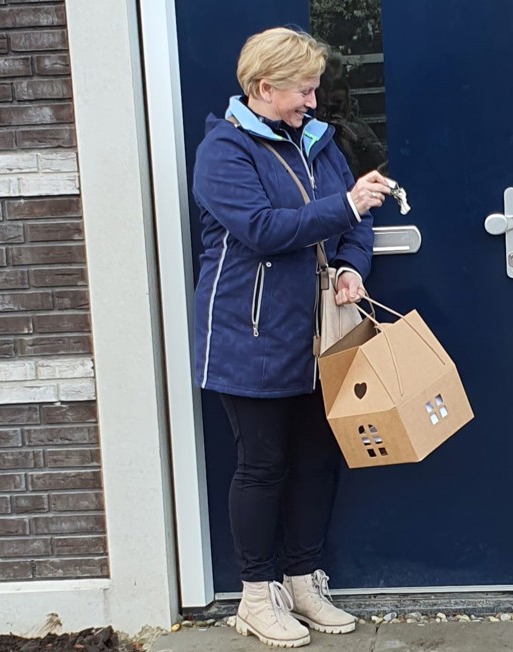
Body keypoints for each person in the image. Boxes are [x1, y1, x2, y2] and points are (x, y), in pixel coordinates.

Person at [191, 27, 392, 649]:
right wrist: (349, 208)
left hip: (319, 336)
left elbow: (352, 227)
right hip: (248, 334)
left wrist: (354, 266)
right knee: (262, 465)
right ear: (262, 88)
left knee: (315, 459)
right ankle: (256, 596)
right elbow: (262, 229)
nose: (312, 99)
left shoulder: (320, 143)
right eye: (302, 89)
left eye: (314, 87)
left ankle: (304, 582)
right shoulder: (224, 151)